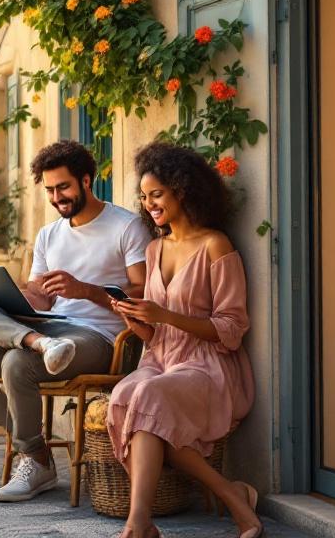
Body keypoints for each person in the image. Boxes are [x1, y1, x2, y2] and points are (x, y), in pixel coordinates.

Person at [0, 139, 151, 503]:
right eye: (50, 190)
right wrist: (14, 297)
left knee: (16, 362)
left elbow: (144, 293)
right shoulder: (49, 235)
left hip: (100, 338)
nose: (57, 198)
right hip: (48, 332)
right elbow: (40, 298)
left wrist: (86, 290)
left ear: (86, 180)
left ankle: (35, 459)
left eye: (63, 187)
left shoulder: (126, 226)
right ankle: (37, 442)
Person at [106, 142, 258, 538]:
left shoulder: (215, 245)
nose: (149, 204)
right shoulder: (154, 248)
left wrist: (165, 315)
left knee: (147, 399)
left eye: (156, 194)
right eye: (144, 197)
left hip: (208, 366)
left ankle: (138, 524)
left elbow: (232, 328)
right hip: (159, 360)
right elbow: (155, 334)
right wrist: (135, 317)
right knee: (125, 397)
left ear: (182, 190)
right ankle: (232, 497)